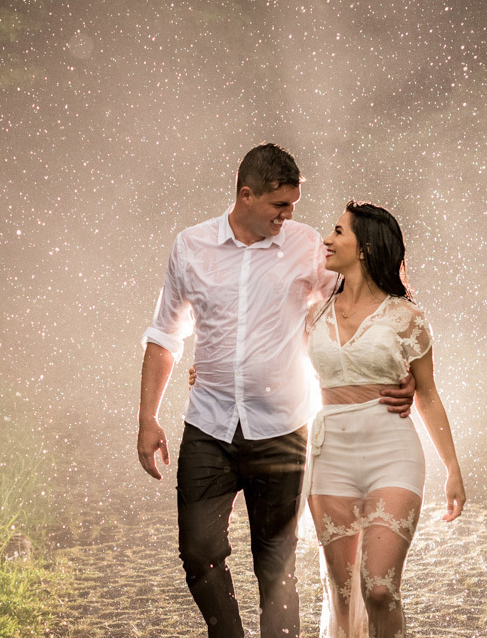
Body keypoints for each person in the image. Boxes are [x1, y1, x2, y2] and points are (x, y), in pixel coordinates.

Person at [136, 143, 415, 638]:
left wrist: (403, 369)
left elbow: (370, 295)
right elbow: (164, 337)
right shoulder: (190, 246)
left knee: (276, 564)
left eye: (293, 205)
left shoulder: (305, 246)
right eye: (279, 206)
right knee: (198, 552)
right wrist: (148, 418)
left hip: (282, 427)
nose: (289, 216)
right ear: (246, 195)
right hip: (208, 425)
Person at [303, 201, 465, 637]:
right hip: (329, 454)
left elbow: (427, 395)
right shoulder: (314, 312)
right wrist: (212, 368)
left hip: (391, 451)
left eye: (338, 232)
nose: (327, 239)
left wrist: (452, 469)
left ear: (365, 248)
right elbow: (274, 366)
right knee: (341, 593)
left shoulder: (405, 316)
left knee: (378, 589)